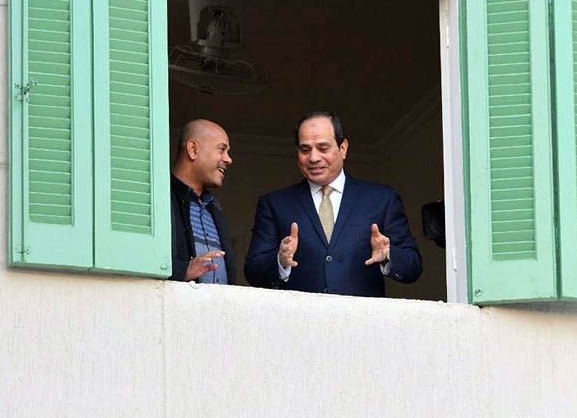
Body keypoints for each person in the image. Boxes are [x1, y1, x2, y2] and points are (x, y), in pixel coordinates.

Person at [244, 111, 422, 297]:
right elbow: (253, 272)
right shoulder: (275, 204)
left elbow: (413, 266)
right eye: (305, 150)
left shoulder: (381, 199)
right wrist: (280, 261)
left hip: (361, 315)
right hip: (298, 314)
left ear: (343, 148)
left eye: (323, 148)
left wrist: (388, 255)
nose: (313, 158)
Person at [170, 119, 235, 284]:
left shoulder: (212, 206)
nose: (229, 159)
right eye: (222, 149)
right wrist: (182, 271)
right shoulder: (159, 198)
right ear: (193, 149)